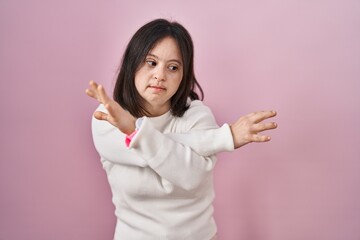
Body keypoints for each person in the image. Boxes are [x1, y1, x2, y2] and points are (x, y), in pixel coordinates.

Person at [85, 18, 277, 240]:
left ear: (183, 76)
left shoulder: (197, 115)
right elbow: (146, 156)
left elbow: (190, 176)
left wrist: (134, 132)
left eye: (173, 67)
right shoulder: (107, 116)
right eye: (151, 62)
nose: (160, 75)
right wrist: (223, 137)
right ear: (132, 63)